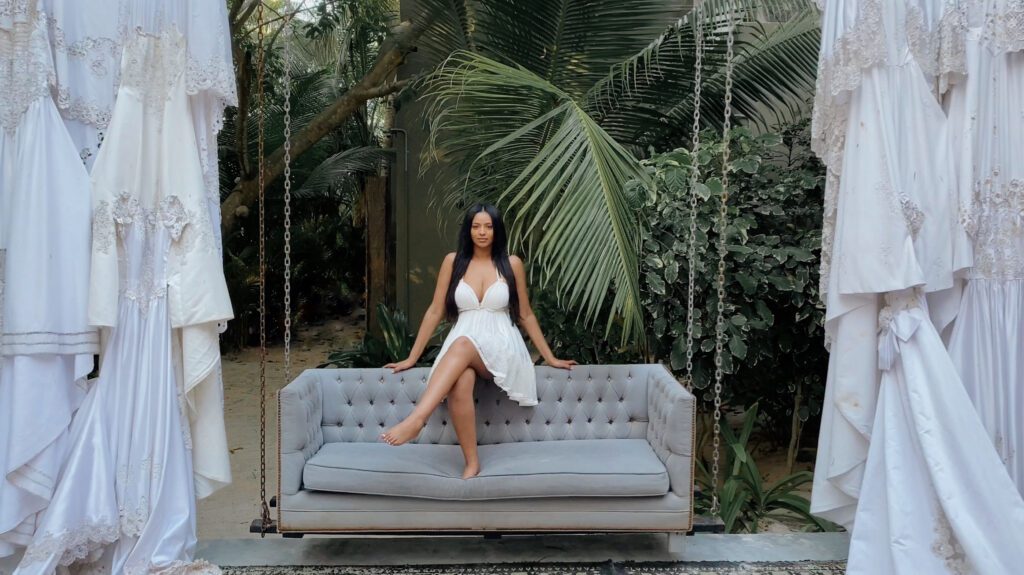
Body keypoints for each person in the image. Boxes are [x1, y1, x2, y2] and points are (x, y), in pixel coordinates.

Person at [382, 203, 576, 479]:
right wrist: (412, 357)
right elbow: (435, 311)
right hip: (463, 350)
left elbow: (526, 315)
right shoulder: (453, 262)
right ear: (468, 230)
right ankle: (472, 463)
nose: (482, 232)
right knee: (460, 382)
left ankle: (416, 420)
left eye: (488, 226)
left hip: (502, 347)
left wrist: (551, 357)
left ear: (497, 231)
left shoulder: (512, 264)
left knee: (461, 344)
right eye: (476, 226)